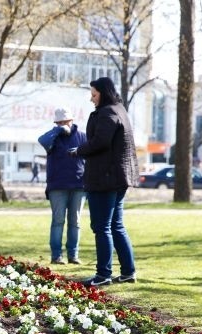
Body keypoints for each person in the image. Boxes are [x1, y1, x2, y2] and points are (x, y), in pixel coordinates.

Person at [68, 77, 137, 287]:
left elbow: (101, 142)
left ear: (103, 93)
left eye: (94, 94)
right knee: (116, 225)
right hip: (119, 177)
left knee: (102, 226)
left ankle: (103, 274)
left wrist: (78, 150)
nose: (91, 99)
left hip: (105, 178)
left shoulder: (107, 113)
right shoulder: (120, 110)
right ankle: (127, 271)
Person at [38, 107, 87, 265]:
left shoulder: (82, 137)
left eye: (65, 121)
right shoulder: (52, 137)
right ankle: (56, 255)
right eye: (59, 122)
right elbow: (42, 141)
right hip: (57, 185)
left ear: (72, 121)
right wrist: (58, 131)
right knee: (58, 221)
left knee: (75, 222)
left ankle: (73, 255)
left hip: (79, 185)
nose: (63, 124)